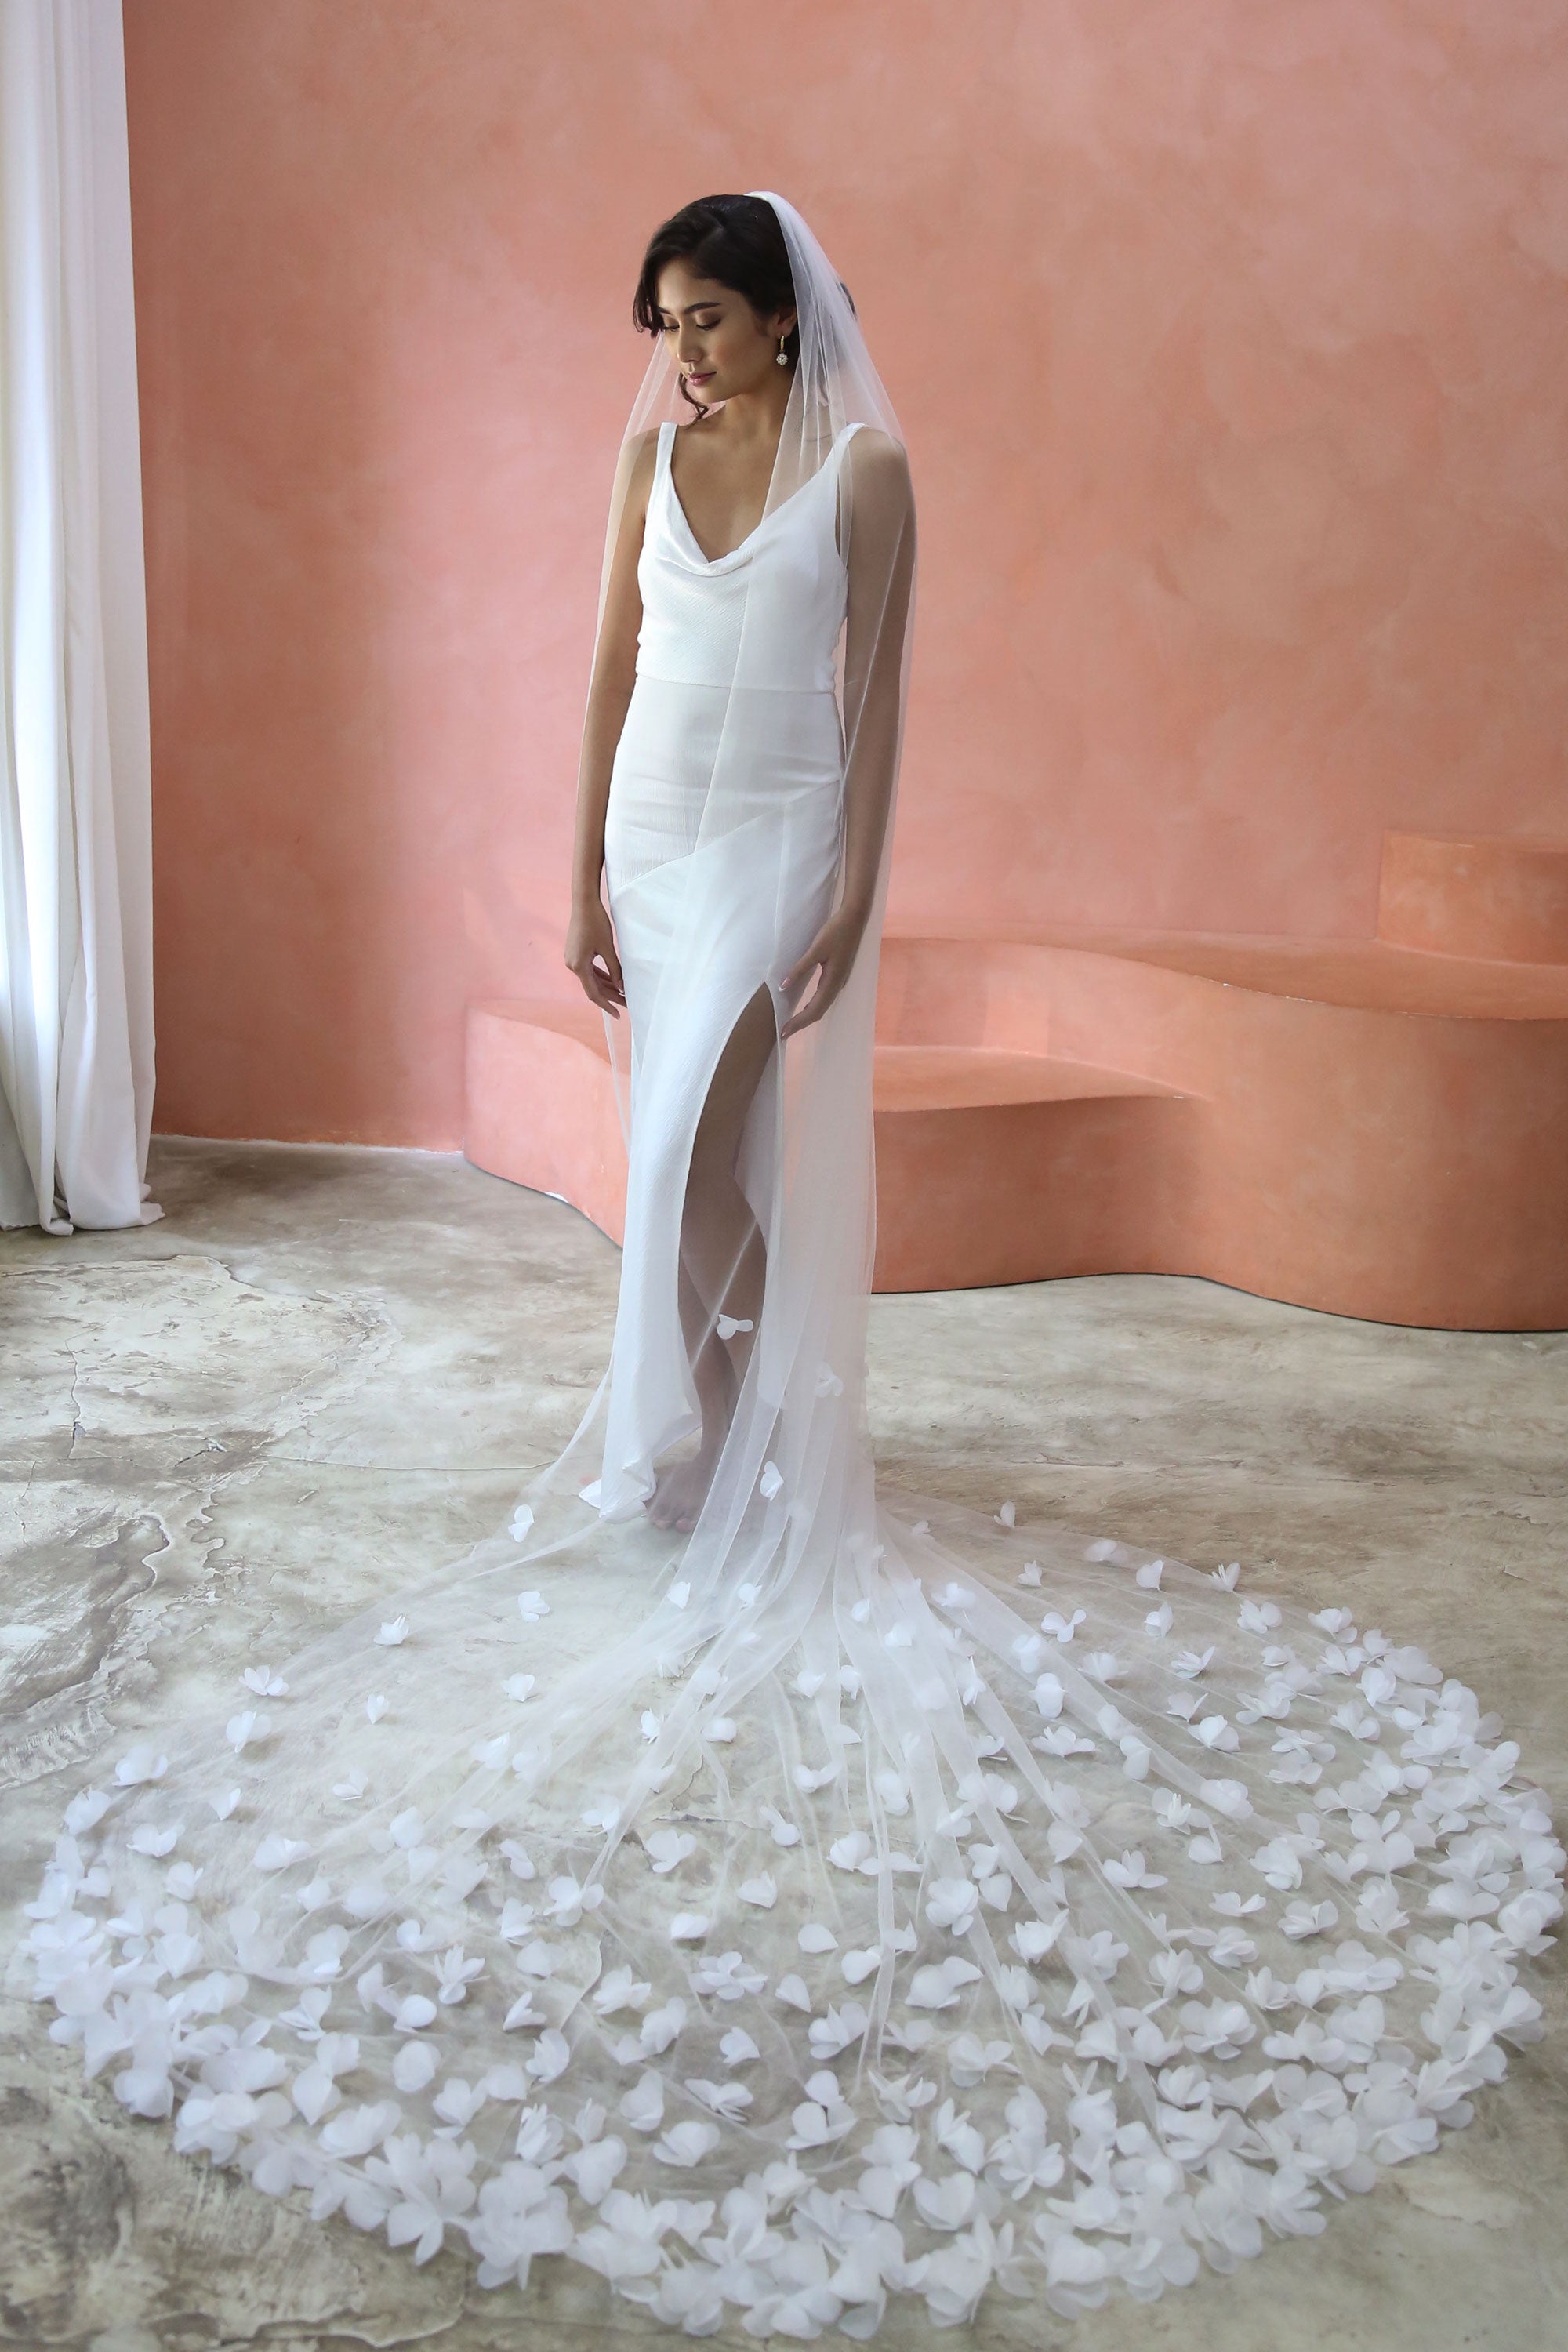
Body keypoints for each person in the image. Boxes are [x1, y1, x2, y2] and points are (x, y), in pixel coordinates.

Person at [24, 193, 1561, 2339]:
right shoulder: (650, 458)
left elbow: (878, 698)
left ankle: (713, 1436)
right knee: (694, 1165)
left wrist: (855, 903)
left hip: (775, 857)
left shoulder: (870, 470)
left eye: (712, 321)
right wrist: (572, 871)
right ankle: (728, 1442)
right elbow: (606, 665)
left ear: (786, 315)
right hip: (656, 844)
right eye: (662, 326)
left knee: (694, 1180)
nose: (682, 357)